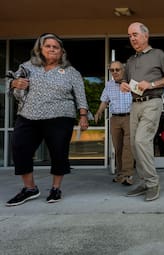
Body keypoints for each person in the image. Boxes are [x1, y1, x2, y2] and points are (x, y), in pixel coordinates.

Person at [5, 33, 89, 207]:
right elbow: (10, 82)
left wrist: (83, 116)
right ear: (40, 49)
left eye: (55, 47)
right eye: (48, 46)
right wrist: (14, 84)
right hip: (28, 115)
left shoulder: (71, 72)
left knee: (58, 152)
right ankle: (30, 188)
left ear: (62, 52)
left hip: (60, 116)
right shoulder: (27, 67)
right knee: (19, 147)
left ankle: (55, 188)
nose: (52, 49)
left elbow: (81, 96)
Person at [120, 22, 164, 201]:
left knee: (142, 141)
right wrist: (124, 85)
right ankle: (145, 181)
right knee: (135, 146)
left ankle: (153, 183)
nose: (132, 38)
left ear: (145, 35)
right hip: (135, 104)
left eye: (135, 34)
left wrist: (151, 84)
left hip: (152, 102)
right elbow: (128, 82)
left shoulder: (158, 54)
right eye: (130, 36)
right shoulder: (130, 60)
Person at [94, 60, 134, 186]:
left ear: (123, 70)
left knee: (128, 147)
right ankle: (120, 174)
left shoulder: (131, 83)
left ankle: (128, 175)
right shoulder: (109, 85)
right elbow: (104, 101)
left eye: (118, 69)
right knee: (118, 148)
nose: (115, 72)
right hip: (115, 119)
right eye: (112, 70)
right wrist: (99, 112)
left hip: (129, 117)